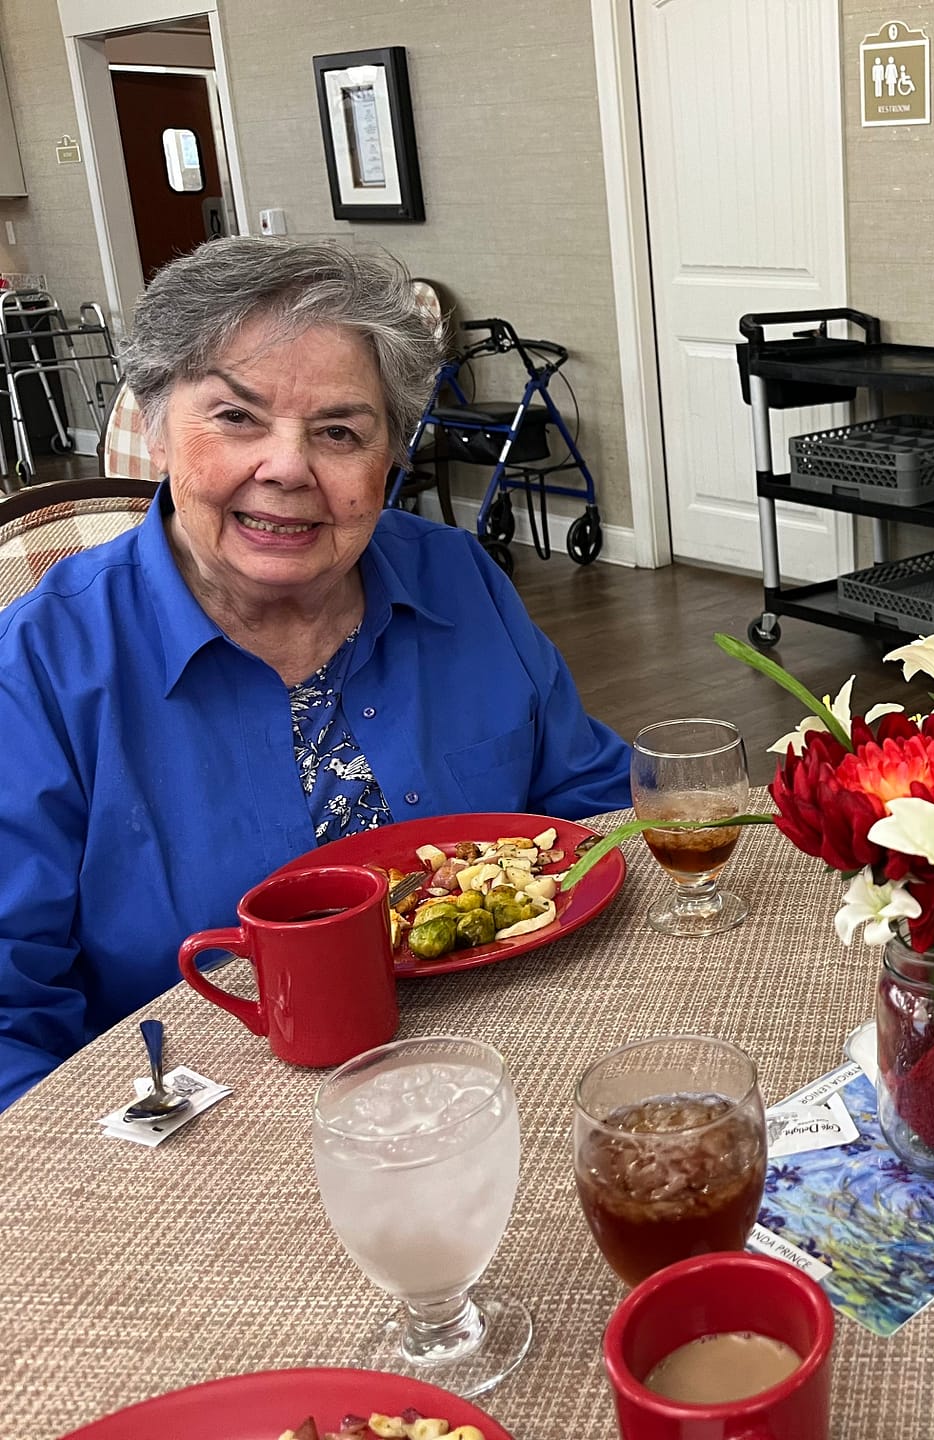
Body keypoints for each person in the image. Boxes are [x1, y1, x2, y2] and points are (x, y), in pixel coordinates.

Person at [0, 238, 632, 1108]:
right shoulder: (36, 669)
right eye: (236, 417)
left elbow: (594, 807)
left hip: (514, 1060)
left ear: (392, 458)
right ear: (152, 422)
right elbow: (9, 1016)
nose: (289, 467)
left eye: (339, 431)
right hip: (213, 1126)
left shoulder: (458, 577)